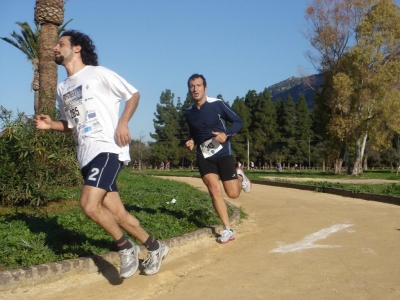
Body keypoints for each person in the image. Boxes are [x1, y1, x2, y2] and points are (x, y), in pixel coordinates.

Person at [34, 30, 168, 279]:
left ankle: (125, 248)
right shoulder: (63, 88)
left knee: (88, 204)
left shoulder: (99, 73)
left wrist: (123, 123)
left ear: (76, 48)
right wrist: (50, 124)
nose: (54, 47)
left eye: (60, 43)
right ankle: (156, 247)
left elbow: (133, 94)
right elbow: (71, 123)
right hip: (85, 156)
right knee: (118, 214)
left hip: (107, 148)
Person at [184, 73, 251, 244]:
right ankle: (228, 229)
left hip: (223, 153)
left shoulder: (218, 104)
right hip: (204, 155)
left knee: (233, 194)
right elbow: (194, 132)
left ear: (205, 88)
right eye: (192, 86)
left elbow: (238, 121)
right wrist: (191, 140)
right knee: (214, 190)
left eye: (198, 85)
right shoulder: (189, 112)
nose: (195, 89)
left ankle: (240, 175)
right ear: (189, 89)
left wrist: (226, 134)